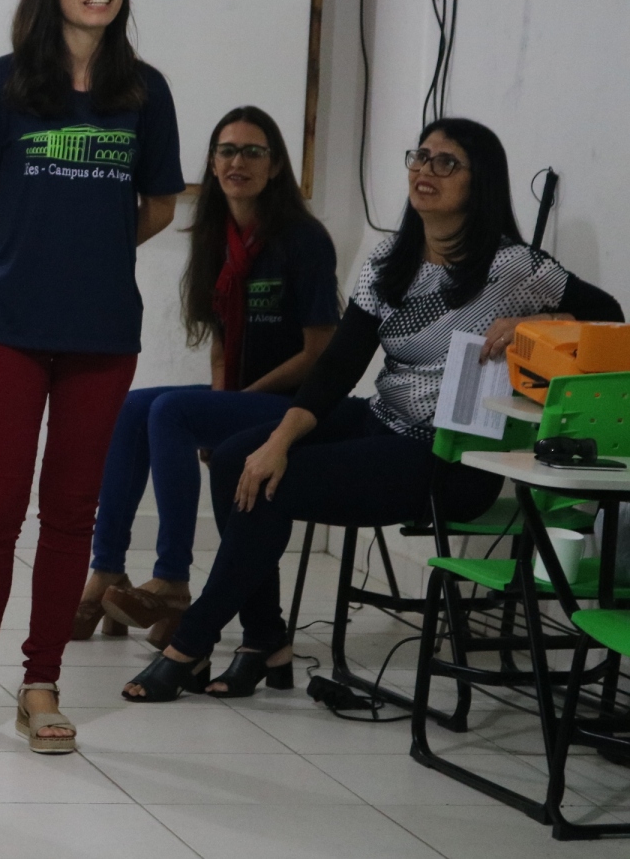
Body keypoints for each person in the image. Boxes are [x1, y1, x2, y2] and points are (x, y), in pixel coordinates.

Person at [123, 118, 623, 701]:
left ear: (479, 181)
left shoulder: (510, 266)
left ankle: (191, 643)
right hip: (381, 420)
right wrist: (279, 439)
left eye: (446, 163)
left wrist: (540, 320)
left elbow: (609, 315)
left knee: (273, 486)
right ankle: (264, 640)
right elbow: (337, 366)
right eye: (420, 157)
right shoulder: (391, 259)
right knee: (240, 460)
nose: (425, 171)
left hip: (450, 456)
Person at [0, 0, 185, 752]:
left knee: (72, 512)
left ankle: (40, 682)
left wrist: (93, 255)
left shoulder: (144, 91)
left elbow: (158, 204)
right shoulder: (5, 83)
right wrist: (12, 260)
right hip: (4, 329)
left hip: (102, 333)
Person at [74, 107, 338, 648]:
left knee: (172, 411)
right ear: (214, 164)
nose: (238, 162)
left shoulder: (304, 239)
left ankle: (172, 579)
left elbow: (320, 352)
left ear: (275, 166)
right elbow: (220, 339)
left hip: (294, 404)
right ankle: (107, 569)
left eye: (253, 152)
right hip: (242, 394)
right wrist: (222, 401)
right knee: (134, 406)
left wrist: (235, 403)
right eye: (227, 151)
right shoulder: (218, 237)